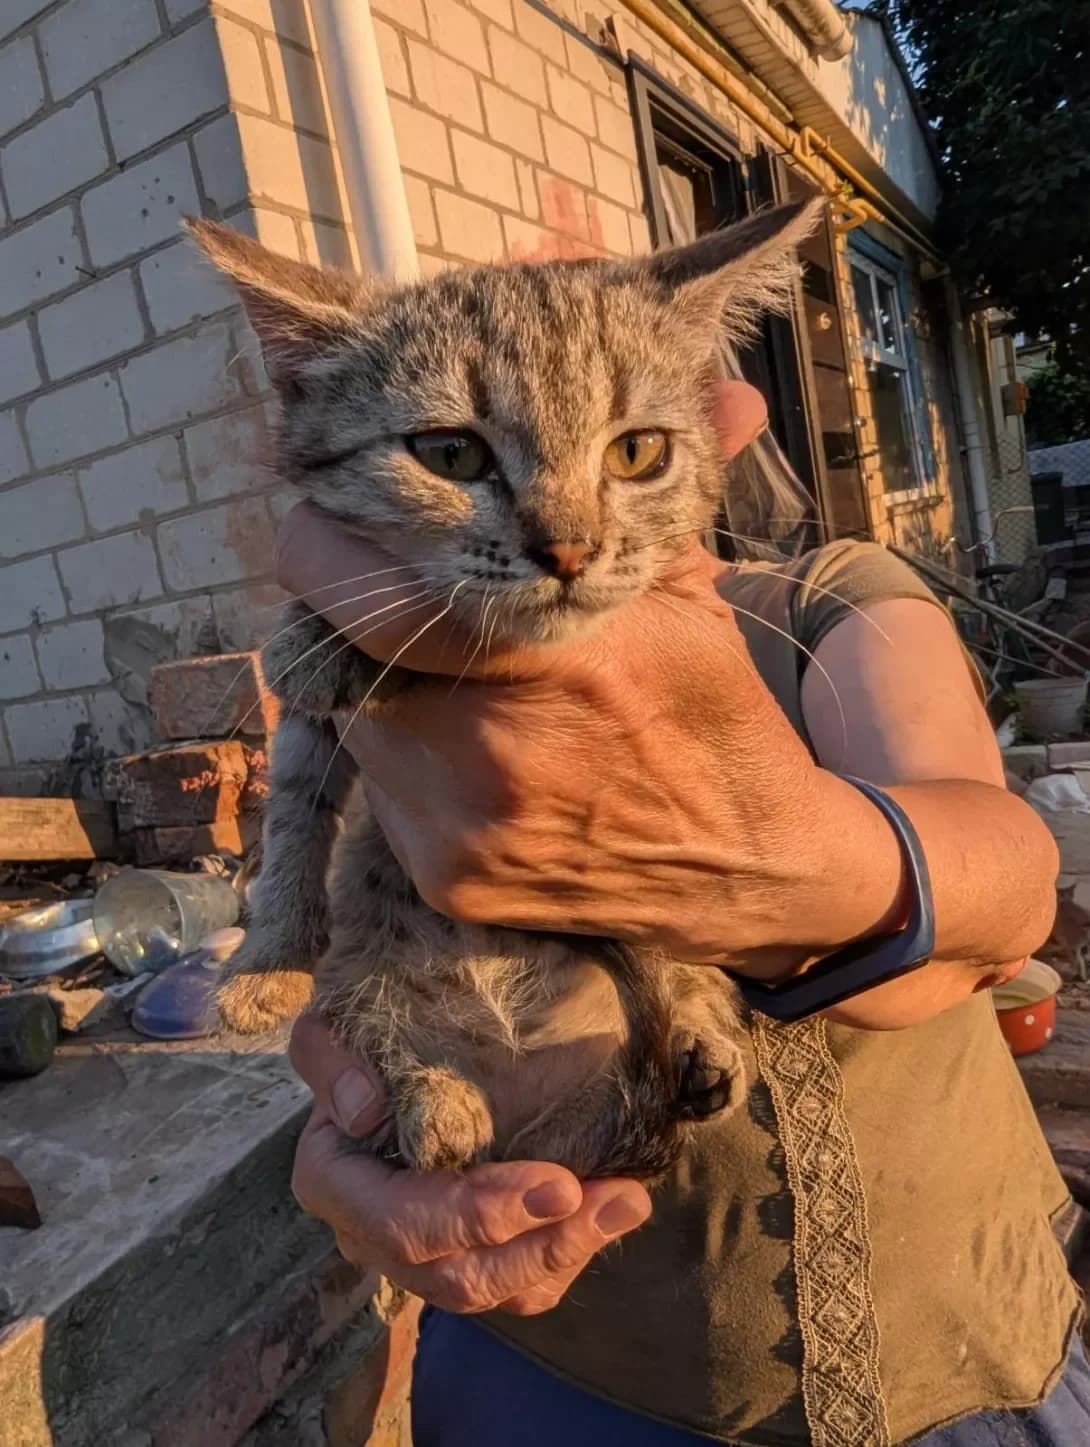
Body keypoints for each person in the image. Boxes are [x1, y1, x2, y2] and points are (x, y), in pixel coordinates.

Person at [278, 378, 1087, 1446]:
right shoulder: (401, 654)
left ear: (716, 419)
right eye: (470, 445)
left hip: (939, 1356)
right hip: (534, 1364)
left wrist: (732, 853)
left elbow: (1008, 888)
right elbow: (342, 939)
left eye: (612, 429)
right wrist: (357, 1109)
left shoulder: (825, 594)